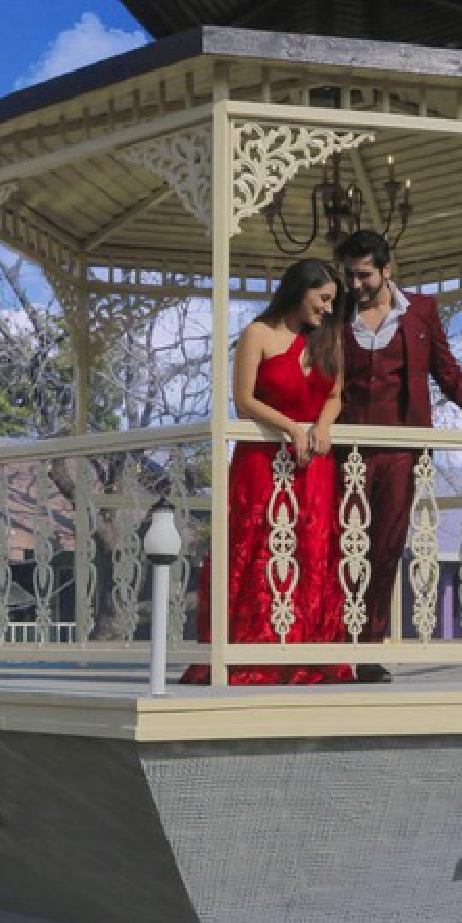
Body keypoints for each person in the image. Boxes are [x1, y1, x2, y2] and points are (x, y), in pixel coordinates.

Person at [333, 229, 462, 678]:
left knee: (383, 550)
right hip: (345, 452)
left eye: (363, 275)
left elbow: (449, 374)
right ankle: (328, 644)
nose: (356, 285)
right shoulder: (336, 313)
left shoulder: (420, 311)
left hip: (402, 449)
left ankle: (364, 651)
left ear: (386, 269)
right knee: (342, 546)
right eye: (349, 276)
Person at [183, 257, 354, 685]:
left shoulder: (328, 340)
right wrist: (291, 428)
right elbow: (243, 401)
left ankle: (308, 651)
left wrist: (323, 426)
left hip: (314, 464)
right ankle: (253, 650)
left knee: (313, 553)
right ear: (301, 289)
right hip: (262, 462)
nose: (328, 309)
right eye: (324, 298)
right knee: (258, 551)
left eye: (333, 301)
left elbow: (335, 395)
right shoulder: (257, 334)